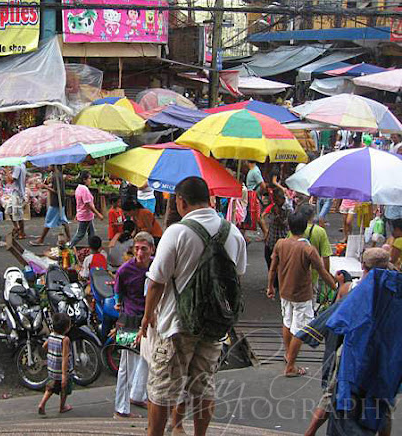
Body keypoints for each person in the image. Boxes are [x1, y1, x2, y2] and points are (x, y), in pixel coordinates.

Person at [140, 176, 247, 436]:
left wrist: (147, 317)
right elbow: (237, 276)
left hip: (178, 325)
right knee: (204, 384)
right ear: (209, 199)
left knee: (163, 390)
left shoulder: (176, 232)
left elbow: (156, 282)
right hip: (215, 324)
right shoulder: (232, 232)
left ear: (181, 201)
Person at [300, 247, 393, 436]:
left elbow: (336, 320)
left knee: (334, 393)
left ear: (363, 267)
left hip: (354, 352)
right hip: (385, 353)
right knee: (382, 401)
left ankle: (309, 433)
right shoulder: (394, 288)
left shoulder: (360, 290)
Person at [267, 212, 338, 377]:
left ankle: (288, 355)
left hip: (284, 292)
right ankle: (291, 366)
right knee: (301, 329)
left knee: (287, 322)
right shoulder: (308, 249)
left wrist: (270, 286)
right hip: (302, 294)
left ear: (289, 227)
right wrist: (335, 287)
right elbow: (322, 272)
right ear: (305, 227)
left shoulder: (280, 244)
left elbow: (273, 268)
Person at [113, 231, 153, 419]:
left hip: (151, 318)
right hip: (129, 319)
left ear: (151, 249)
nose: (140, 253)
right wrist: (119, 304)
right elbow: (118, 294)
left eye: (143, 249)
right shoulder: (124, 270)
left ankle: (138, 395)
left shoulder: (156, 265)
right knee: (126, 366)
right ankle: (121, 409)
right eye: (136, 249)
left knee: (148, 360)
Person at [295, 204, 332, 304]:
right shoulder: (320, 231)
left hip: (295, 271)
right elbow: (325, 256)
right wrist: (326, 275)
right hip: (313, 272)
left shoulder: (294, 230)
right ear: (313, 216)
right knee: (310, 300)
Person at [38, 312, 74, 415]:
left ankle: (42, 404)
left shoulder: (51, 335)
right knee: (64, 390)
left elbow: (44, 346)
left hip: (52, 369)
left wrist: (53, 352)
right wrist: (64, 375)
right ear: (67, 328)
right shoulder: (65, 339)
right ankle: (62, 407)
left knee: (50, 388)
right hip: (62, 371)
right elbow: (65, 357)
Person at [31, 165, 70, 246]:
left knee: (49, 220)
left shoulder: (56, 176)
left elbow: (56, 191)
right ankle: (69, 238)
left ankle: (41, 239)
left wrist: (45, 186)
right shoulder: (58, 175)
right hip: (59, 201)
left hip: (56, 202)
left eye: (49, 165)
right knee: (63, 220)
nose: (47, 166)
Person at [260, 187, 292, 271]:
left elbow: (286, 225)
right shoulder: (274, 207)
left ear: (282, 198)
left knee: (280, 266)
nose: (275, 202)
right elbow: (268, 221)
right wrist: (266, 234)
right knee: (270, 262)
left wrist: (278, 216)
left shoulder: (288, 209)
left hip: (282, 240)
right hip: (271, 240)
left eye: (276, 199)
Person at [70, 171, 104, 248]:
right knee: (80, 234)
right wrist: (98, 214)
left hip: (86, 215)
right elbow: (88, 204)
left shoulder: (79, 188)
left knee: (91, 233)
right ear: (84, 180)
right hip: (85, 215)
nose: (90, 180)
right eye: (89, 178)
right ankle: (70, 246)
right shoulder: (84, 189)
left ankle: (92, 248)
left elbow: (79, 203)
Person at [7, 162, 27, 239]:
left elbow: (11, 179)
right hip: (14, 192)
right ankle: (17, 227)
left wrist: (7, 170)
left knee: (18, 213)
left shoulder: (17, 167)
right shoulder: (20, 165)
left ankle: (22, 232)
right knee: (9, 210)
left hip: (18, 193)